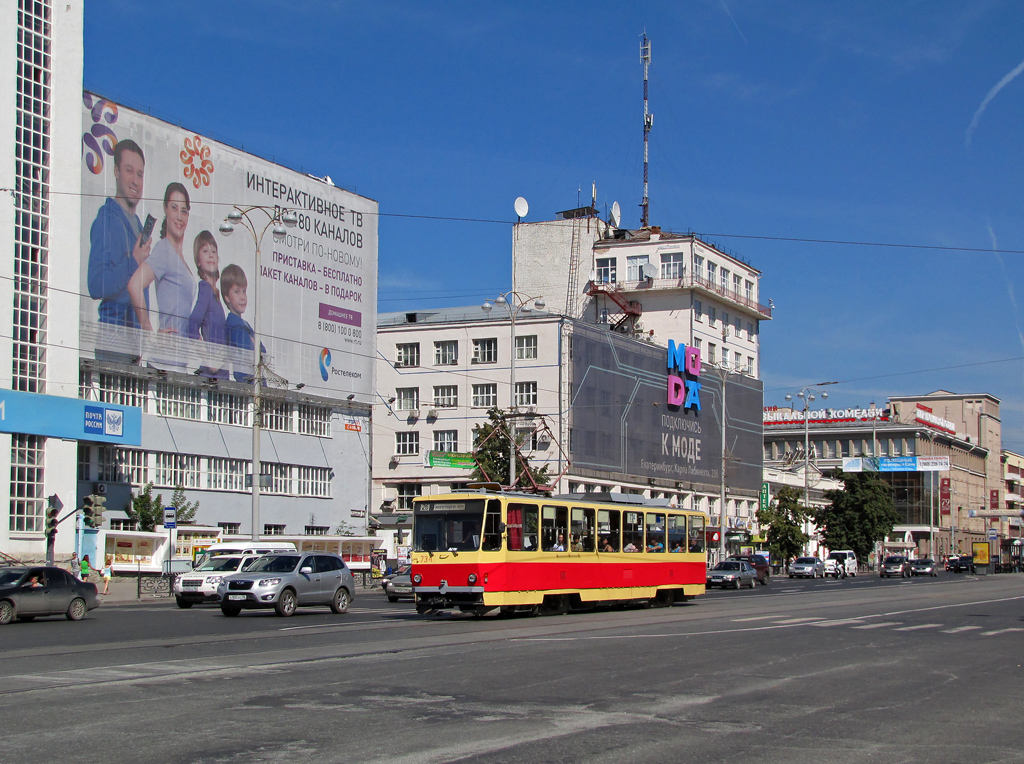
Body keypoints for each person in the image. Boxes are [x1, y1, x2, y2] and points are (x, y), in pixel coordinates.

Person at [87, 139, 152, 326]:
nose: (135, 181)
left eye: (140, 174)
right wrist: (133, 261)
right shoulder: (105, 220)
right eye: (129, 170)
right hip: (114, 343)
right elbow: (96, 285)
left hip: (136, 343)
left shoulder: (139, 226)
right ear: (116, 172)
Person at [128, 182, 196, 342]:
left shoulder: (179, 256)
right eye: (174, 208)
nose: (179, 216)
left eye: (184, 211)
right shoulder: (164, 250)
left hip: (179, 359)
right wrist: (149, 335)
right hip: (164, 360)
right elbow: (134, 285)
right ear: (165, 209)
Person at [187, 230, 228, 377]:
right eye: (205, 250)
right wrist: (209, 358)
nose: (211, 254)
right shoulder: (205, 288)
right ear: (198, 260)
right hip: (212, 375)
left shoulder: (215, 293)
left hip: (222, 372)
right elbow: (191, 326)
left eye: (214, 251)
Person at [221, 264, 267, 382]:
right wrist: (255, 344)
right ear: (227, 297)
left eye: (244, 291)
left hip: (254, 381)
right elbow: (252, 351)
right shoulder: (235, 325)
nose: (243, 297)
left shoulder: (243, 324)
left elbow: (263, 351)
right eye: (237, 292)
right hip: (248, 383)